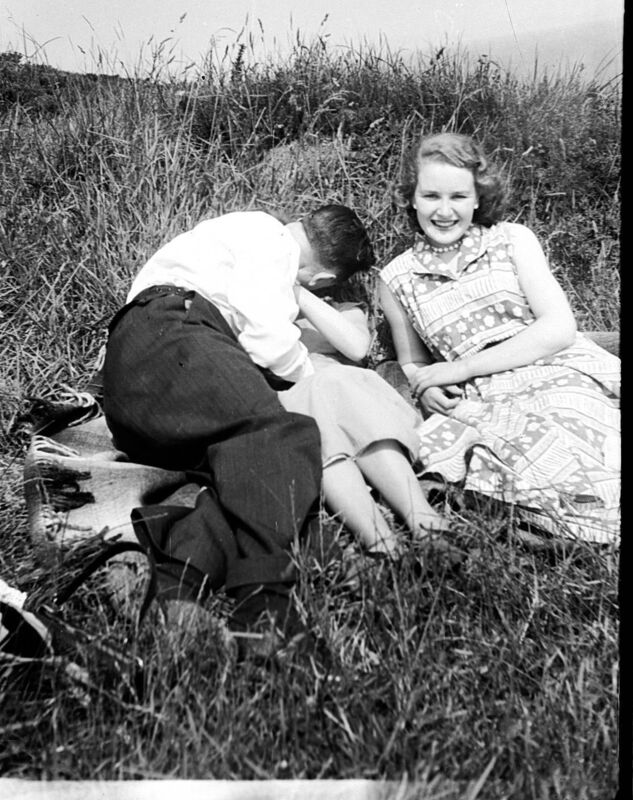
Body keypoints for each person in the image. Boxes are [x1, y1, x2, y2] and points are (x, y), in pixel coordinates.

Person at [102, 205, 375, 642]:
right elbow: (270, 342)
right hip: (171, 331)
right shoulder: (271, 239)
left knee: (239, 479)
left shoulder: (244, 237)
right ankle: (267, 613)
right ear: (322, 279)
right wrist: (315, 376)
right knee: (284, 435)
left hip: (140, 385)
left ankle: (175, 589)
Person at [378, 132, 620, 544]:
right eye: (431, 196)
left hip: (550, 364)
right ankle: (557, 525)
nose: (444, 211)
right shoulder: (396, 277)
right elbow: (412, 361)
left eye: (458, 196)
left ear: (478, 198)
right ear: (411, 199)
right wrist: (425, 387)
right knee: (511, 443)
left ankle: (581, 522)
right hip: (483, 394)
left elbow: (558, 328)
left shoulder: (511, 239)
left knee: (568, 422)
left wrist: (459, 368)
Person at [278, 281, 450, 558]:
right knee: (313, 422)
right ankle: (380, 543)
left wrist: (296, 292)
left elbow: (357, 348)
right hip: (297, 404)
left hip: (353, 403)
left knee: (332, 385)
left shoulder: (340, 309)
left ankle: (423, 521)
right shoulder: (246, 310)